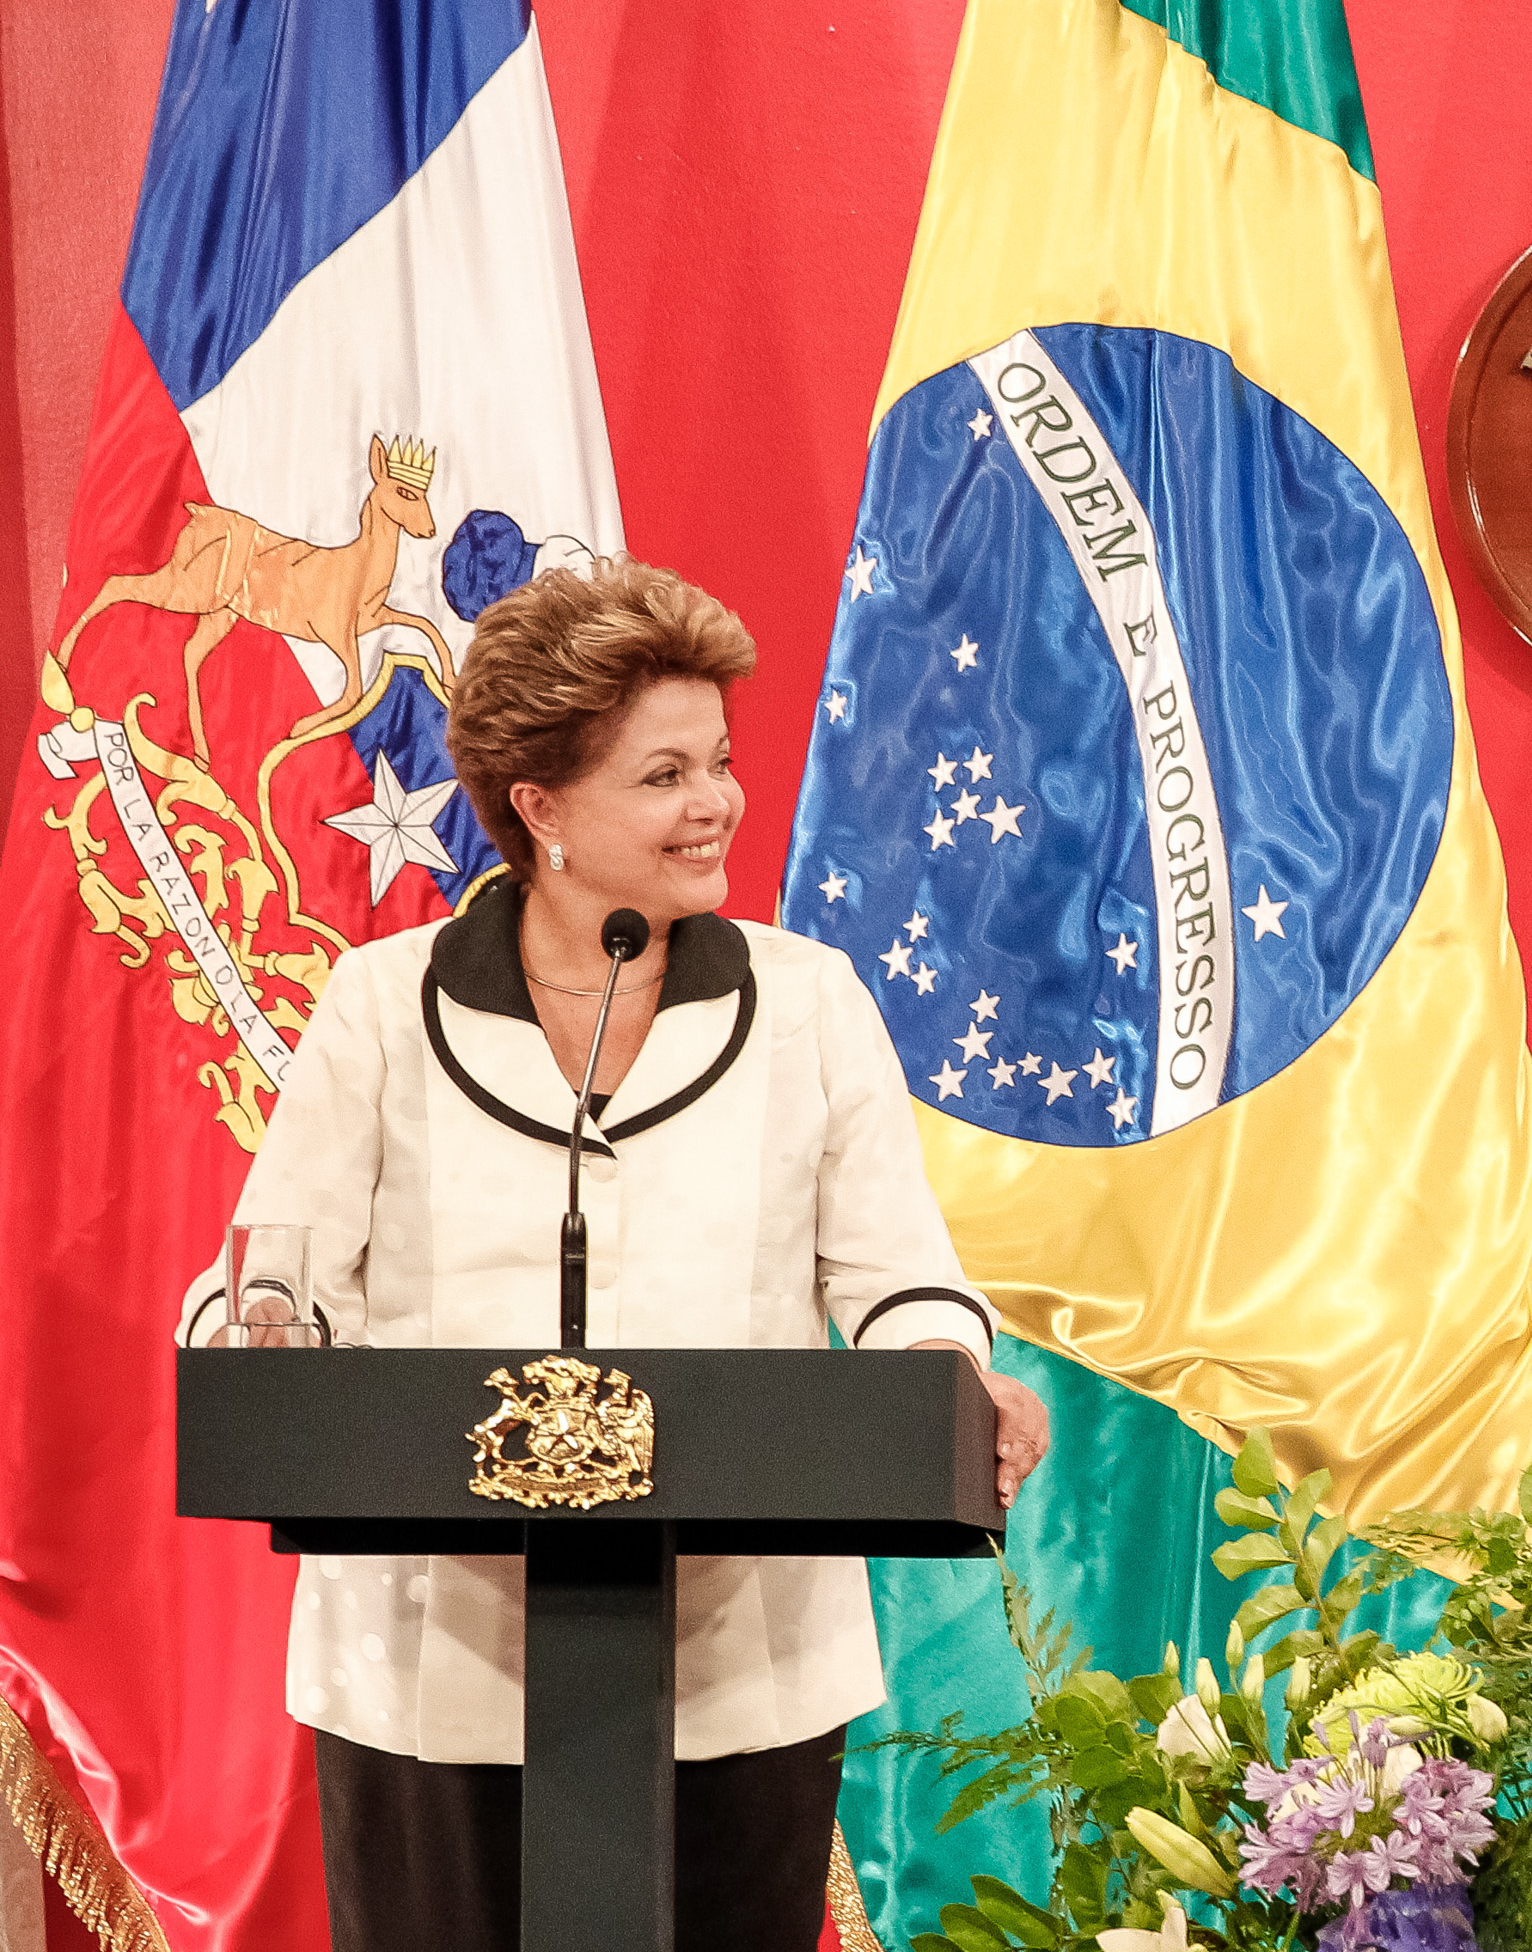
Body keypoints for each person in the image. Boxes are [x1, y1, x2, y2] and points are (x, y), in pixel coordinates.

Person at [176, 559, 1052, 1952]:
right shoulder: (382, 1007)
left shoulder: (809, 1005)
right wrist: (262, 1325)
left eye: (716, 761)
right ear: (540, 806)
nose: (714, 802)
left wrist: (955, 1373)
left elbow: (901, 1281)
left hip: (737, 1663)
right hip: (428, 1665)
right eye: (663, 774)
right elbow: (270, 1273)